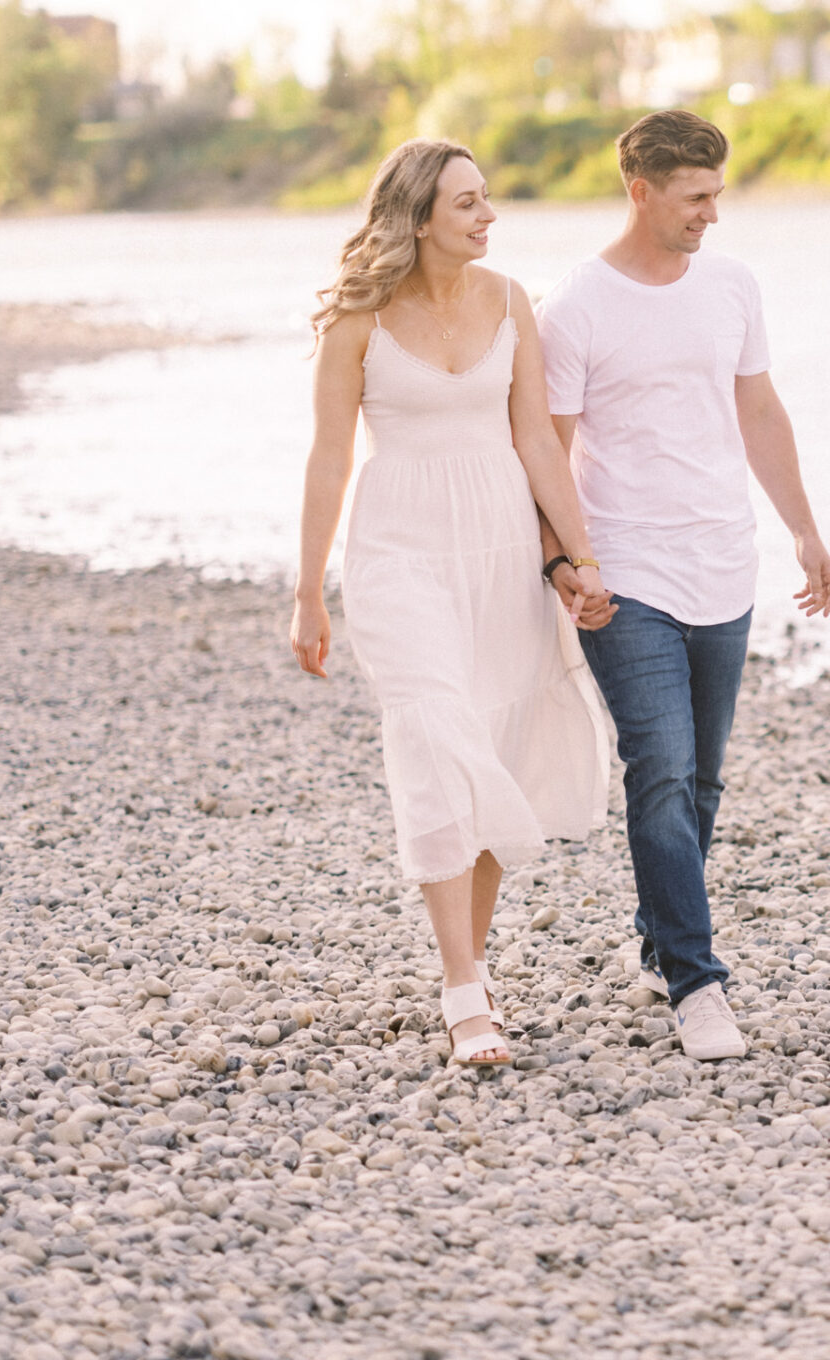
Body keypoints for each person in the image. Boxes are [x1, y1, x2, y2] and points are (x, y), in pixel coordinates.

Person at [289, 137, 617, 1069]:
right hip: (398, 553)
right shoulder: (357, 317)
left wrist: (581, 559)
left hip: (501, 551)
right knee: (436, 734)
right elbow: (327, 458)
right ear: (420, 215)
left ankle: (467, 969)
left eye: (487, 199)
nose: (488, 215)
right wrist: (308, 590)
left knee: (495, 744)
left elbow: (539, 444)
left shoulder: (513, 301)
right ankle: (463, 993)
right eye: (468, 203)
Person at [535, 108, 830, 1064]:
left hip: (724, 561)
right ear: (642, 190)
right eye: (695, 196)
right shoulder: (575, 307)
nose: (713, 213)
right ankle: (699, 983)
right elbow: (551, 452)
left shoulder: (732, 286)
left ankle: (661, 943)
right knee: (658, 769)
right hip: (625, 574)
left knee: (702, 778)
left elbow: (758, 409)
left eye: (718, 193)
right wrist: (566, 566)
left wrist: (805, 529)